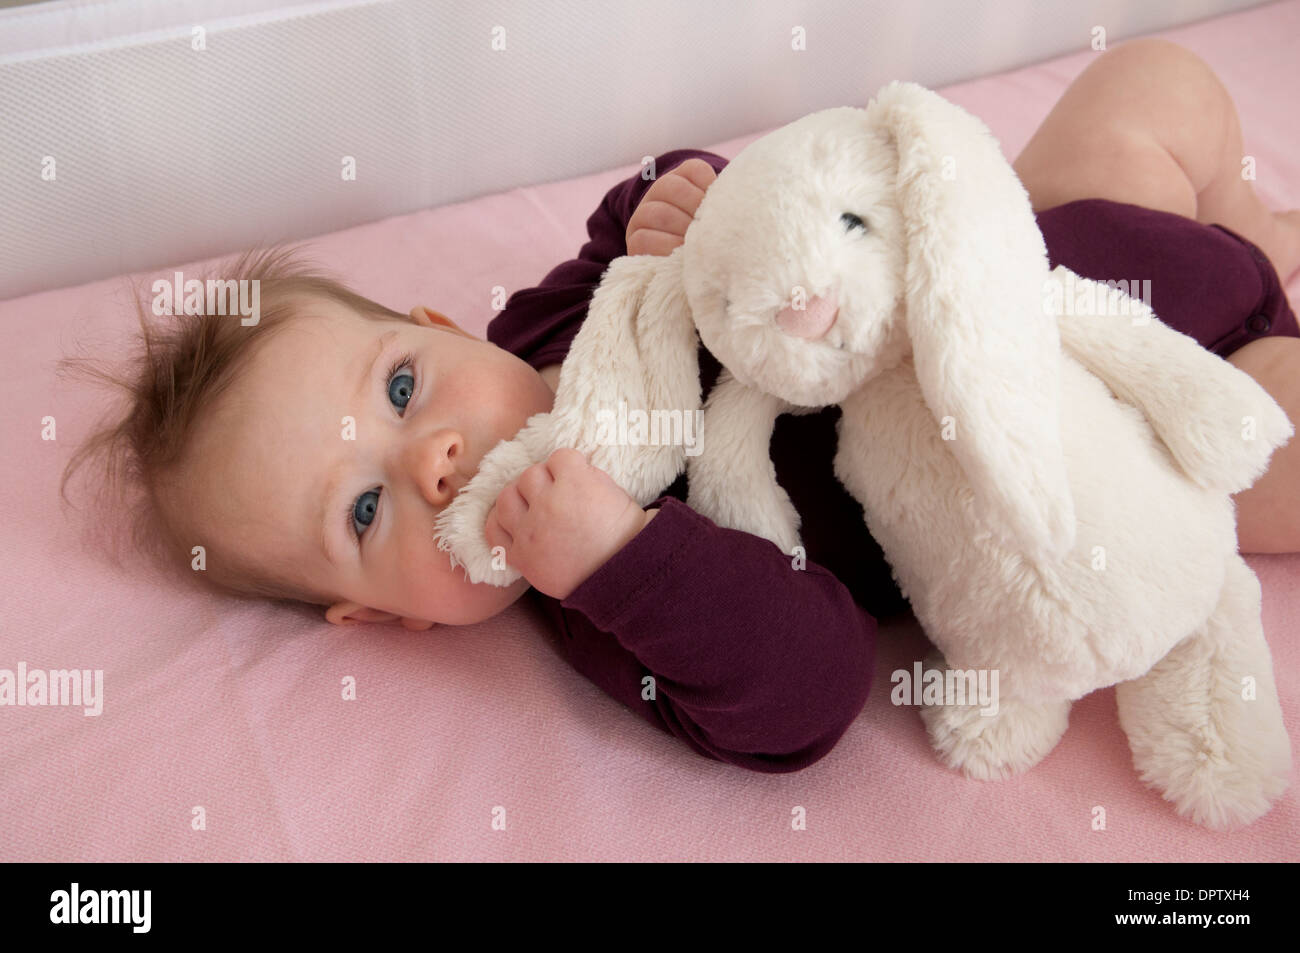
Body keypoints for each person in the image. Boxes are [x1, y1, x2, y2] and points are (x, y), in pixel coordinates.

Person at [61, 38, 1300, 774]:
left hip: (1044, 246)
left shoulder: (539, 329)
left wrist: (675, 197)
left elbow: (649, 215)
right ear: (378, 615)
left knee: (1159, 79)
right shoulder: (604, 602)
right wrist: (615, 556)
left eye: (398, 389)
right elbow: (810, 691)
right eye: (368, 505)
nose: (434, 453)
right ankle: (1267, 299)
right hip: (1124, 438)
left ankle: (1261, 239)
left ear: (437, 331)